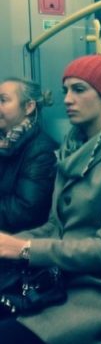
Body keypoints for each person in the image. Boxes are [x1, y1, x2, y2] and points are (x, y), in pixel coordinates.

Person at [0, 54, 101, 344]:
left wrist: (23, 249)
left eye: (79, 89)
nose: (68, 99)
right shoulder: (72, 149)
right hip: (61, 278)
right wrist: (9, 244)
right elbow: (57, 226)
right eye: (66, 91)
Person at [0, 78, 57, 232]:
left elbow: (26, 210)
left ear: (29, 107)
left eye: (3, 100)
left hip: (17, 243)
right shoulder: (3, 142)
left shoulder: (41, 150)